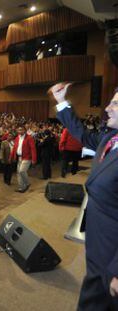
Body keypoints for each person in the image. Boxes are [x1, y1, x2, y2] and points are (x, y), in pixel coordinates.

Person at [49, 82, 118, 310]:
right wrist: (61, 102)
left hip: (111, 253)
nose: (107, 107)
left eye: (115, 104)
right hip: (98, 239)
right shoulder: (111, 139)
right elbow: (81, 133)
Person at [9, 126, 37, 193]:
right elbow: (14, 149)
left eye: (21, 130)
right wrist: (11, 157)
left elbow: (33, 149)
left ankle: (27, 183)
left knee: (22, 171)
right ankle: (21, 187)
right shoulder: (17, 138)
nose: (20, 131)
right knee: (18, 173)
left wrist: (34, 159)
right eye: (19, 130)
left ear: (25, 130)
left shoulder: (29, 138)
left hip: (27, 158)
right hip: (19, 157)